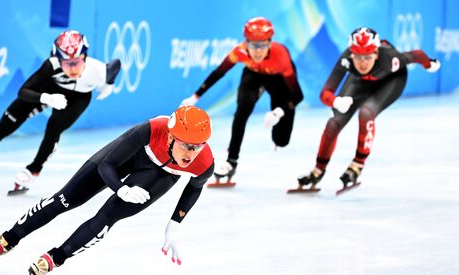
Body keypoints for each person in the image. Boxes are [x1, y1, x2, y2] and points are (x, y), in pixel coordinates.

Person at [0, 106, 214, 275]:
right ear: (171, 135)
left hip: (159, 176)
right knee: (65, 199)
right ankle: (8, 239)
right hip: (127, 158)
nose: (191, 153)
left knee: (107, 217)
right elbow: (107, 166)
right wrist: (121, 188)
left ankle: (56, 257)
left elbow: (194, 188)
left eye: (198, 146)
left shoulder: (204, 162)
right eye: (186, 144)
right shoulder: (151, 129)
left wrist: (174, 225)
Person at [0, 30, 121, 192]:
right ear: (58, 59)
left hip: (77, 99)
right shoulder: (50, 66)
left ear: (85, 57)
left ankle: (34, 169)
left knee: (54, 127)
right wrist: (46, 98)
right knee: (2, 127)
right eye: (67, 63)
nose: (73, 68)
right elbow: (23, 91)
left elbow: (115, 65)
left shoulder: (97, 70)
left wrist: (108, 84)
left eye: (77, 62)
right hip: (46, 91)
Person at [297, 27, 440, 189]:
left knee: (366, 112)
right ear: (351, 54)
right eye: (358, 57)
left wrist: (429, 64)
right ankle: (318, 170)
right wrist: (336, 102)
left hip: (391, 81)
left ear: (376, 54)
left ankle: (357, 165)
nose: (363, 62)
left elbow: (417, 55)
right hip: (360, 81)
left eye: (367, 57)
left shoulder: (389, 59)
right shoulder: (346, 60)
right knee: (333, 123)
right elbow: (325, 93)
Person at [180, 17, 303, 182]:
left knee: (281, 140)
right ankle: (231, 161)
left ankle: (278, 135)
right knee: (242, 111)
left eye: (262, 45)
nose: (258, 51)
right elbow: (219, 73)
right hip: (253, 76)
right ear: (246, 43)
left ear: (270, 43)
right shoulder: (239, 51)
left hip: (277, 78)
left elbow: (297, 95)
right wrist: (195, 96)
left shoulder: (281, 57)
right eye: (253, 45)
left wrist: (279, 112)